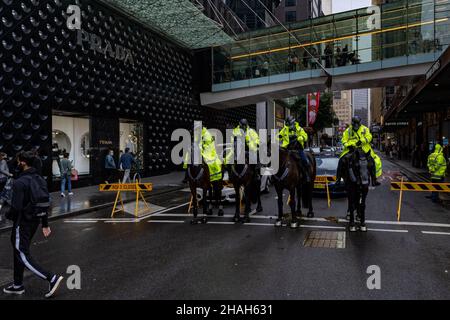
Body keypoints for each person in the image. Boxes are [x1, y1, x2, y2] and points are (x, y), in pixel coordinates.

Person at [3, 151, 64, 298]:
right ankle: (17, 285)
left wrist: (7, 216)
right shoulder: (39, 179)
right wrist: (44, 224)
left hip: (22, 221)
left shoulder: (20, 182)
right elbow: (44, 202)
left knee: (22, 253)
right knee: (19, 251)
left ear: (23, 163)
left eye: (18, 161)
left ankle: (51, 278)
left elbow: (16, 208)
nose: (16, 164)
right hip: (35, 221)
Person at [336, 116, 382, 186]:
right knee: (341, 161)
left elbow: (369, 137)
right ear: (352, 123)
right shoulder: (348, 130)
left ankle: (374, 180)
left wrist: (361, 141)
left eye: (357, 123)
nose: (356, 125)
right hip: (351, 149)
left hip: (364, 149)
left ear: (360, 123)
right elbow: (344, 140)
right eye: (354, 123)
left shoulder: (365, 129)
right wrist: (348, 145)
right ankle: (338, 180)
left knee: (372, 161)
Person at [278, 115, 310, 182]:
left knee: (305, 160)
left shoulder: (299, 129)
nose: (288, 126)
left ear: (292, 123)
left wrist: (299, 138)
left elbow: (305, 136)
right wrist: (277, 137)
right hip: (287, 149)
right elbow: (279, 136)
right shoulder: (285, 129)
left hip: (298, 149)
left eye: (289, 124)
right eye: (287, 125)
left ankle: (306, 175)